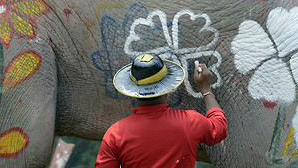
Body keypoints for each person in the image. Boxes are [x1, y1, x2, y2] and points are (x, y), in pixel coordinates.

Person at [95, 53, 227, 168]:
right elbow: (219, 128)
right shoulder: (191, 121)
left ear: (133, 92)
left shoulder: (115, 134)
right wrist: (205, 89)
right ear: (167, 88)